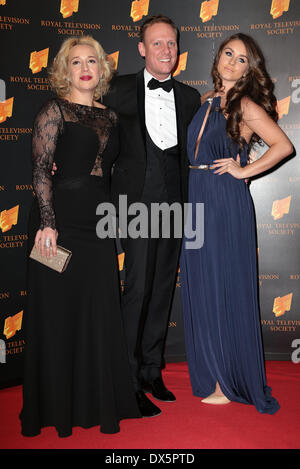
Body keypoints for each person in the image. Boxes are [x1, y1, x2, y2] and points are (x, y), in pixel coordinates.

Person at [20, 36, 141, 438]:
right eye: (76, 62)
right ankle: (55, 407)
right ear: (64, 70)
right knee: (56, 314)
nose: (85, 67)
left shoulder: (111, 117)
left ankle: (96, 403)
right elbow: (40, 170)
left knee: (96, 312)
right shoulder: (53, 110)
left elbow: (112, 173)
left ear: (102, 69)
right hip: (58, 223)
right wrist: (47, 223)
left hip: (98, 223)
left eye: (92, 61)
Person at [180, 33, 293, 413]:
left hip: (224, 203)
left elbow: (283, 146)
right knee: (203, 287)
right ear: (218, 57)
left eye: (241, 59)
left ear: (249, 69)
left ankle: (229, 381)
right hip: (196, 201)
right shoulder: (205, 100)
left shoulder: (244, 105)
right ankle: (212, 372)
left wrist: (244, 169)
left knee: (224, 286)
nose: (231, 61)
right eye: (228, 53)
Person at [103, 15, 200, 417]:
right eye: (157, 44)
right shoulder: (117, 89)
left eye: (171, 44)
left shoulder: (191, 97)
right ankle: (126, 380)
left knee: (162, 291)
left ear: (178, 49)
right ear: (142, 49)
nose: (165, 50)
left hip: (175, 206)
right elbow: (84, 119)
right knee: (138, 290)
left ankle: (150, 371)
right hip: (135, 206)